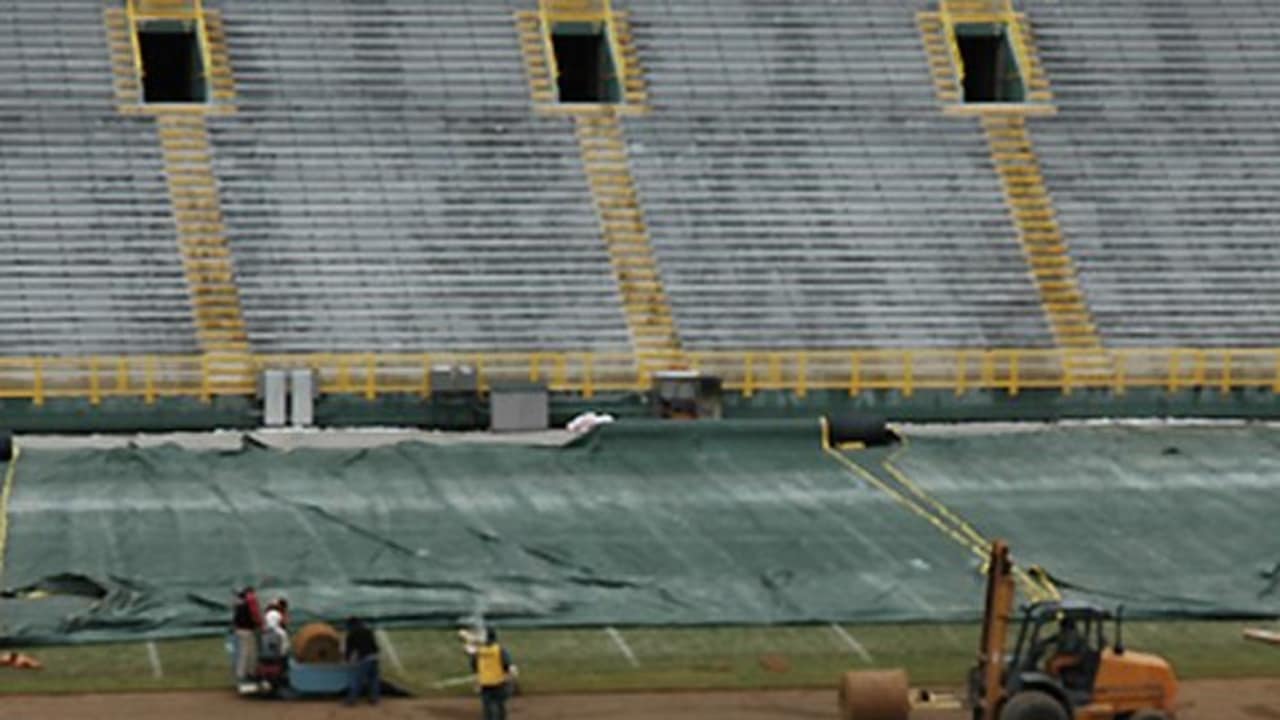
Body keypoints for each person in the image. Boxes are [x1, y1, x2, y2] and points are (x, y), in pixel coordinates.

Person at [471, 628, 516, 720]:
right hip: (499, 685)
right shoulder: (500, 650)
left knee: (490, 711)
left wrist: (476, 683)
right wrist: (509, 679)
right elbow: (512, 669)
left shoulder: (478, 653)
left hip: (488, 686)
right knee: (499, 709)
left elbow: (476, 671)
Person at [343, 617, 380, 706]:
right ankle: (374, 699)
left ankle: (351, 700)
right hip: (374, 657)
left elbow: (349, 650)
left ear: (350, 625)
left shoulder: (351, 634)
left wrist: (347, 659)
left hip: (365, 658)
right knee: (373, 679)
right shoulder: (368, 631)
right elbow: (375, 646)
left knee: (358, 679)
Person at [231, 586, 263, 681]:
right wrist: (260, 625)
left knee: (247, 652)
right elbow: (255, 615)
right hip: (247, 630)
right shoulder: (249, 603)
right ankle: (246, 674)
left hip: (241, 630)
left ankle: (247, 673)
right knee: (248, 652)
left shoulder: (239, 605)